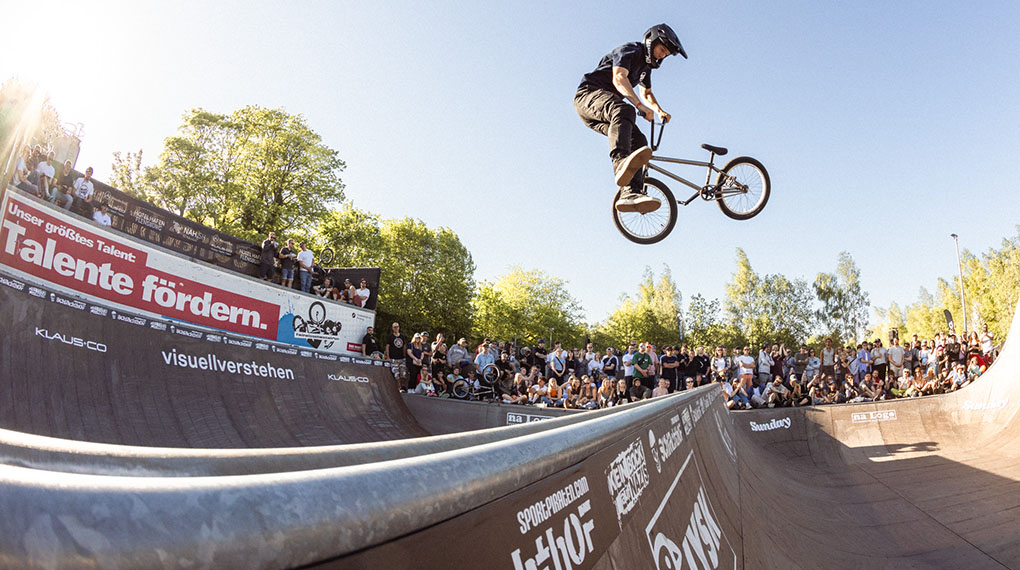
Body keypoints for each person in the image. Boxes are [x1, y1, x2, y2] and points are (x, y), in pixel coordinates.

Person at [574, 24, 686, 213]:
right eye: (662, 50)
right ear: (652, 42)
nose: (662, 55)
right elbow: (619, 78)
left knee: (640, 142)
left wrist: (658, 110)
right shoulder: (631, 50)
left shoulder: (645, 69)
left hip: (605, 113)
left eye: (666, 54)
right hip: (589, 96)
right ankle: (619, 163)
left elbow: (647, 92)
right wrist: (639, 106)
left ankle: (630, 194)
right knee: (624, 110)